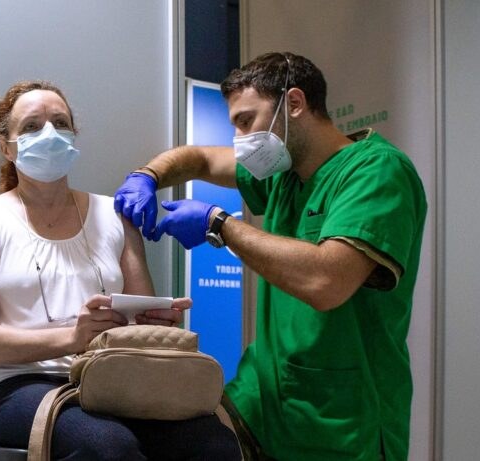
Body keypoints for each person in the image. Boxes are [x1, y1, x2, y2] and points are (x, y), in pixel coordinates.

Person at [114, 52, 428, 460]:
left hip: (342, 415)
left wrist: (218, 224)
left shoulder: (376, 171)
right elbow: (199, 159)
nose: (239, 139)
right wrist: (148, 176)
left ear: (294, 103)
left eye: (246, 121)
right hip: (261, 397)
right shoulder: (284, 175)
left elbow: (326, 282)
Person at [0, 80, 241, 460]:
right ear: (6, 147)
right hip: (18, 384)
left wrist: (157, 322)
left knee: (213, 444)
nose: (50, 134)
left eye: (60, 123)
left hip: (115, 379)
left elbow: (141, 318)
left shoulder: (115, 216)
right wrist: (73, 338)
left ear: (74, 135)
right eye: (32, 126)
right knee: (107, 446)